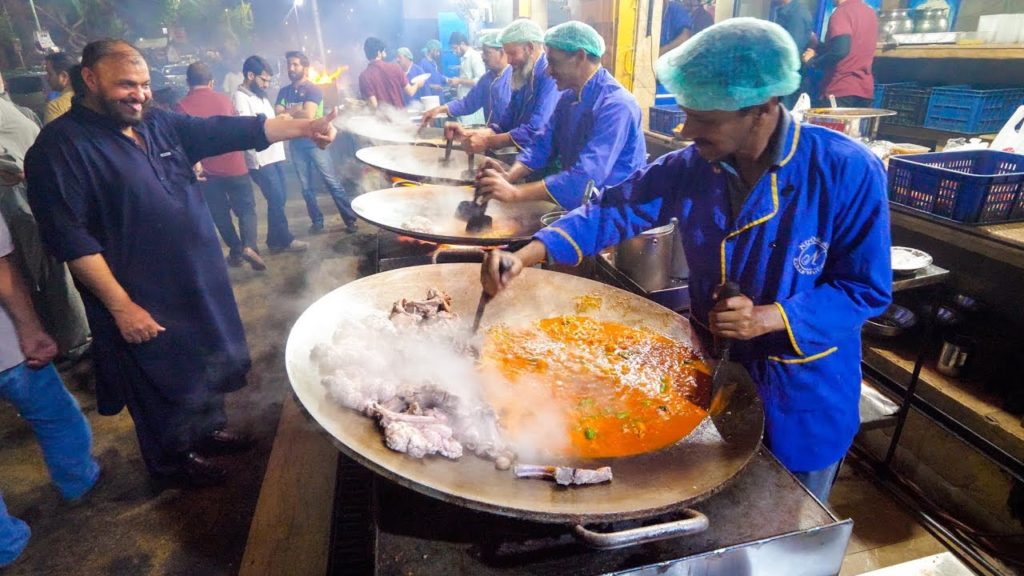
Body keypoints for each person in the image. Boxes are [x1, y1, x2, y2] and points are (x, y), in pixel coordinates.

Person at [480, 18, 892, 503]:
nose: (685, 128)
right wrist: (526, 254)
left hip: (800, 389)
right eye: (687, 112)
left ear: (762, 109)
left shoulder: (846, 171)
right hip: (715, 372)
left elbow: (864, 290)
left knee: (783, 517)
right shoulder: (694, 164)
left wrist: (769, 317)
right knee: (720, 507)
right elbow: (615, 207)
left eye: (705, 118)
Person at [25, 39, 346, 486]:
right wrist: (122, 307)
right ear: (90, 79)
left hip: (197, 280)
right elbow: (73, 243)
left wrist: (305, 127)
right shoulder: (59, 150)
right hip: (141, 297)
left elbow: (225, 130)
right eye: (125, 85)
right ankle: (173, 463)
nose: (138, 94)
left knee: (206, 362)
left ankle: (208, 431)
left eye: (144, 85)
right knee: (161, 385)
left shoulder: (156, 123)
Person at [0, 213, 99, 568]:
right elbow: (2, 272)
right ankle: (77, 481)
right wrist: (31, 328)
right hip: (6, 348)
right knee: (55, 415)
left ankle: (4, 544)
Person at [476, 21, 646, 210]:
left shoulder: (617, 106)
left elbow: (586, 176)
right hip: (586, 208)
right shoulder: (568, 97)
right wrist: (509, 176)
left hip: (617, 210)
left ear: (580, 57)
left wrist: (516, 193)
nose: (548, 71)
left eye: (554, 62)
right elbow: (542, 145)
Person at [0, 95, 91, 360]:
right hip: (33, 194)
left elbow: (14, 169)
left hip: (20, 201)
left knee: (51, 270)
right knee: (50, 267)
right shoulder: (15, 108)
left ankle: (76, 343)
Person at [175, 62, 267, 271]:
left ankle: (235, 250)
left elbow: (181, 142)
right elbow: (238, 129)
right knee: (246, 208)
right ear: (211, 82)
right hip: (236, 166)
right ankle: (250, 247)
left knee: (220, 214)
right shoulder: (225, 100)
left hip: (208, 173)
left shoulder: (181, 106)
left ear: (188, 82)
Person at [447, 19, 562, 156]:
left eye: (512, 54)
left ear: (530, 48)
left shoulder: (549, 77)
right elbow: (506, 122)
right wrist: (474, 133)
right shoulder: (523, 76)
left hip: (547, 162)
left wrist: (488, 141)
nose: (508, 61)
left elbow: (536, 129)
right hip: (529, 157)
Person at [275, 50, 359, 235]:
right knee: (306, 188)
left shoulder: (313, 89)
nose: (291, 68)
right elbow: (277, 114)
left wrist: (290, 112)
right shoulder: (284, 91)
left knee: (331, 182)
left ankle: (350, 220)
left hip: (315, 141)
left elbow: (309, 115)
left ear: (304, 67)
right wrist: (298, 109)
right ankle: (317, 222)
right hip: (296, 144)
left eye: (295, 64)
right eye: (289, 64)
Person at [233, 55, 308, 255]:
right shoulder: (241, 98)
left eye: (268, 80)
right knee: (276, 198)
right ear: (250, 75)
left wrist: (282, 118)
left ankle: (274, 240)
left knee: (280, 197)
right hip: (261, 160)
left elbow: (267, 123)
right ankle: (284, 239)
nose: (266, 85)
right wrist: (254, 162)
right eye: (263, 80)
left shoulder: (260, 95)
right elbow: (248, 130)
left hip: (274, 155)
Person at [420, 30, 511, 129]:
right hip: (493, 136)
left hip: (511, 139)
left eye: (487, 53)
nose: (483, 57)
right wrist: (439, 109)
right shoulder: (487, 79)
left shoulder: (514, 78)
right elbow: (468, 103)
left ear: (502, 53)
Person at [802, 0, 878, 107]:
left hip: (840, 90)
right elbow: (850, 48)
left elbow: (840, 51)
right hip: (864, 91)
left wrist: (813, 62)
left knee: (827, 124)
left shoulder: (842, 13)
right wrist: (818, 45)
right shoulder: (869, 12)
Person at [358, 37, 425, 111]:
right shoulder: (395, 68)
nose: (385, 53)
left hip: (381, 121)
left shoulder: (364, 76)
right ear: (379, 53)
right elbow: (410, 92)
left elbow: (373, 105)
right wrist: (417, 84)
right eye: (384, 51)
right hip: (400, 117)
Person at [772, 0, 814, 108]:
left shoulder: (796, 13)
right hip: (783, 78)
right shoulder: (787, 11)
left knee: (784, 116)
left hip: (787, 79)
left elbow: (792, 50)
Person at [446, 32, 486, 125]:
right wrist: (458, 84)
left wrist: (459, 81)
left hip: (472, 109)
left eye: (455, 48)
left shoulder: (474, 56)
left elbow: (480, 81)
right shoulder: (463, 58)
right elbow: (467, 80)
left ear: (462, 44)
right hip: (464, 105)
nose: (454, 51)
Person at [43, 52, 77, 124]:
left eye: (50, 74)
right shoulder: (91, 99)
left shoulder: (55, 108)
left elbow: (52, 135)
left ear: (63, 76)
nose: (47, 78)